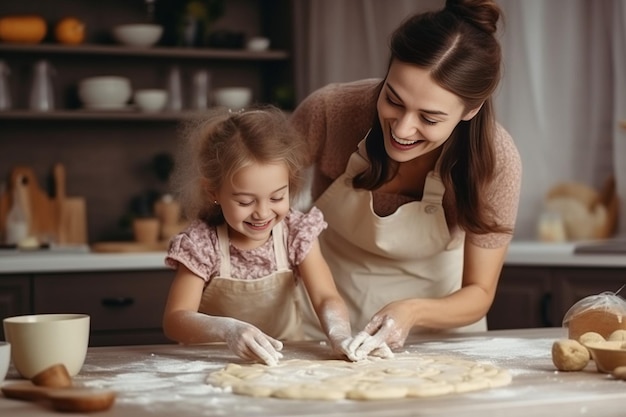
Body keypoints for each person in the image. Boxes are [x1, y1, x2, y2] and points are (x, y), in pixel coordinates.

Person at [290, 0, 522, 354]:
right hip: (322, 323)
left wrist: (412, 310)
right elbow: (258, 185)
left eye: (429, 119)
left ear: (470, 110)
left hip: (437, 332)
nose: (402, 128)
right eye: (393, 100)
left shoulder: (496, 160)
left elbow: (479, 293)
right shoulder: (331, 112)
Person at [162, 106, 377, 366]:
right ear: (213, 192)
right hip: (215, 361)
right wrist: (228, 330)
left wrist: (340, 334)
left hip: (287, 361)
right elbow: (175, 319)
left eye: (277, 197)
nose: (262, 213)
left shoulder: (295, 232)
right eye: (245, 201)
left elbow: (325, 297)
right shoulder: (202, 244)